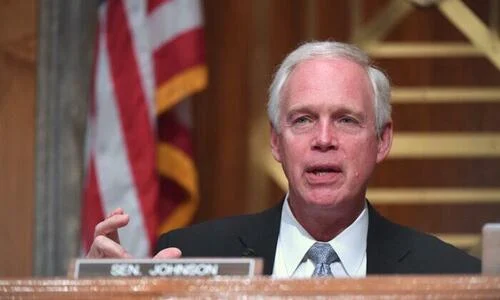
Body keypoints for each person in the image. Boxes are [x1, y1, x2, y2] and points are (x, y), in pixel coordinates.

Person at [87, 41, 480, 276]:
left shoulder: (454, 275)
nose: (323, 139)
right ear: (276, 141)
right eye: (303, 119)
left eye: (346, 120)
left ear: (382, 140)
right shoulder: (188, 257)